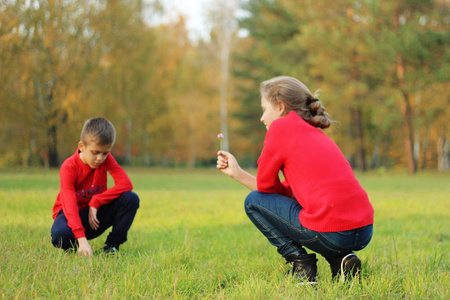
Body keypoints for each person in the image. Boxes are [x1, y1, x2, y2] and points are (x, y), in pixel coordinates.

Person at [217, 76, 374, 284]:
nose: (262, 118)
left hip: (334, 232)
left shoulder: (280, 129)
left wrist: (237, 173)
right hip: (363, 230)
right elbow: (290, 194)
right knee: (304, 208)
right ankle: (341, 261)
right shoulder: (315, 134)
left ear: (280, 107)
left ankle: (302, 264)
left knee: (253, 201)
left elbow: (264, 188)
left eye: (264, 109)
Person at [51, 117, 140, 257]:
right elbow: (69, 205)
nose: (100, 158)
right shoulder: (69, 167)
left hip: (95, 217)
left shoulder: (105, 159)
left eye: (105, 153)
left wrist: (96, 201)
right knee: (59, 235)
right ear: (81, 146)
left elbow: (126, 184)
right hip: (71, 215)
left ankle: (112, 248)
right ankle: (77, 246)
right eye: (95, 152)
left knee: (131, 199)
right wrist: (81, 239)